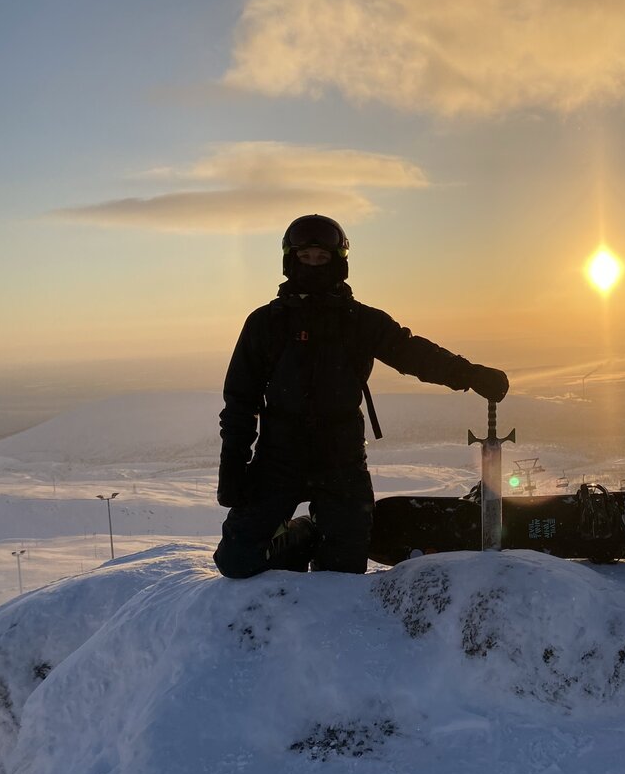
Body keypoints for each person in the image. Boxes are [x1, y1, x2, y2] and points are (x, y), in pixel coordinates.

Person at [214, 214, 509, 579]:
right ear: (291, 260)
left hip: (341, 458)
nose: (313, 265)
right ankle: (304, 533)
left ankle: (325, 534)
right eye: (306, 257)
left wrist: (469, 374)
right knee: (236, 560)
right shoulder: (265, 323)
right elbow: (240, 402)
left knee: (343, 570)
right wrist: (232, 470)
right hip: (278, 457)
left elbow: (412, 352)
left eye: (322, 258)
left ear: (339, 263)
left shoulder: (360, 321)